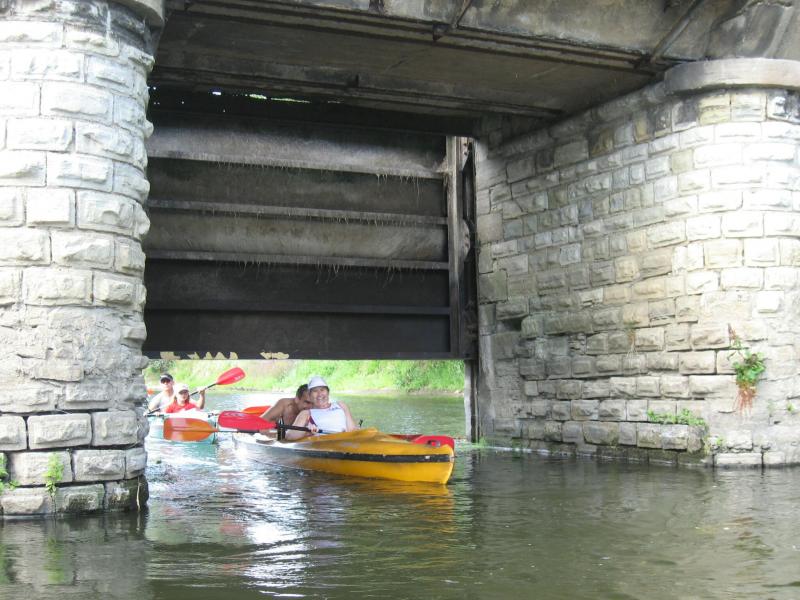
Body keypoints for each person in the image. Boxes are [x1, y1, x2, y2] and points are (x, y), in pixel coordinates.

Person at [284, 376, 357, 441]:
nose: (319, 394)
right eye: (315, 391)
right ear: (309, 395)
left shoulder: (341, 405)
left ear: (328, 392)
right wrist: (306, 432)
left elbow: (352, 429)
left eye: (322, 390)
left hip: (344, 441)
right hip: (323, 445)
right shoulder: (306, 413)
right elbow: (289, 435)